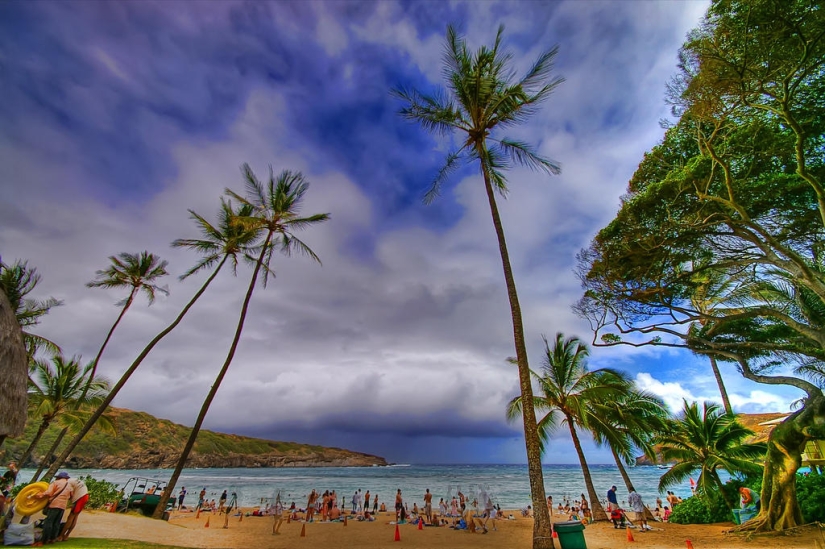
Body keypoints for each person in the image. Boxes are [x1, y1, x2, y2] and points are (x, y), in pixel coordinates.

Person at [35, 471, 72, 545]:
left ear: (58, 477)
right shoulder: (69, 485)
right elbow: (70, 496)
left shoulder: (55, 483)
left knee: (49, 522)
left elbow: (49, 492)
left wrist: (41, 494)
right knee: (56, 523)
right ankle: (53, 539)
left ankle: (44, 540)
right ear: (66, 478)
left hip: (54, 504)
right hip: (62, 506)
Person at [57, 476, 89, 542]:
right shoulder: (73, 480)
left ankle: (61, 536)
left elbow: (70, 494)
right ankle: (66, 536)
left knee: (70, 517)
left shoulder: (67, 482)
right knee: (75, 517)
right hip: (85, 496)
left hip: (79, 498)